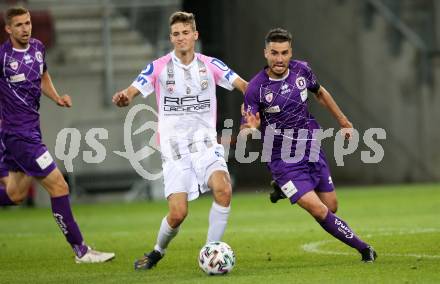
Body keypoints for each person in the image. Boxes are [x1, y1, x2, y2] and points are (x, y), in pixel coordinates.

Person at [113, 11, 247, 270]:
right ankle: (156, 251)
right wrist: (125, 97)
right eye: (176, 34)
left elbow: (243, 85)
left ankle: (210, 251)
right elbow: (132, 90)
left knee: (224, 189)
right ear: (171, 38)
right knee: (178, 214)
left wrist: (255, 100)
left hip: (206, 145)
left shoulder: (211, 65)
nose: (181, 37)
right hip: (174, 150)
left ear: (195, 35)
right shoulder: (159, 66)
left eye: (186, 32)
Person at [241, 28, 377, 262]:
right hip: (283, 160)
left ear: (290, 52)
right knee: (319, 210)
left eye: (284, 53)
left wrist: (344, 122)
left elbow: (320, 93)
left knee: (331, 206)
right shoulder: (256, 88)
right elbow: (246, 128)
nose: (280, 59)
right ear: (266, 53)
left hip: (311, 147)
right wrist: (251, 129)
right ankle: (364, 249)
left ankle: (284, 189)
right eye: (274, 53)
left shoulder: (302, 70)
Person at [0, 7, 115, 263]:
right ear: (8, 29)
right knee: (59, 186)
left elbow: (43, 77)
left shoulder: (38, 48)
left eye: (27, 23)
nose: (25, 28)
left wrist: (57, 97)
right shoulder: (2, 57)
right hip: (19, 136)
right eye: (18, 25)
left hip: (31, 131)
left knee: (14, 195)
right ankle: (81, 251)